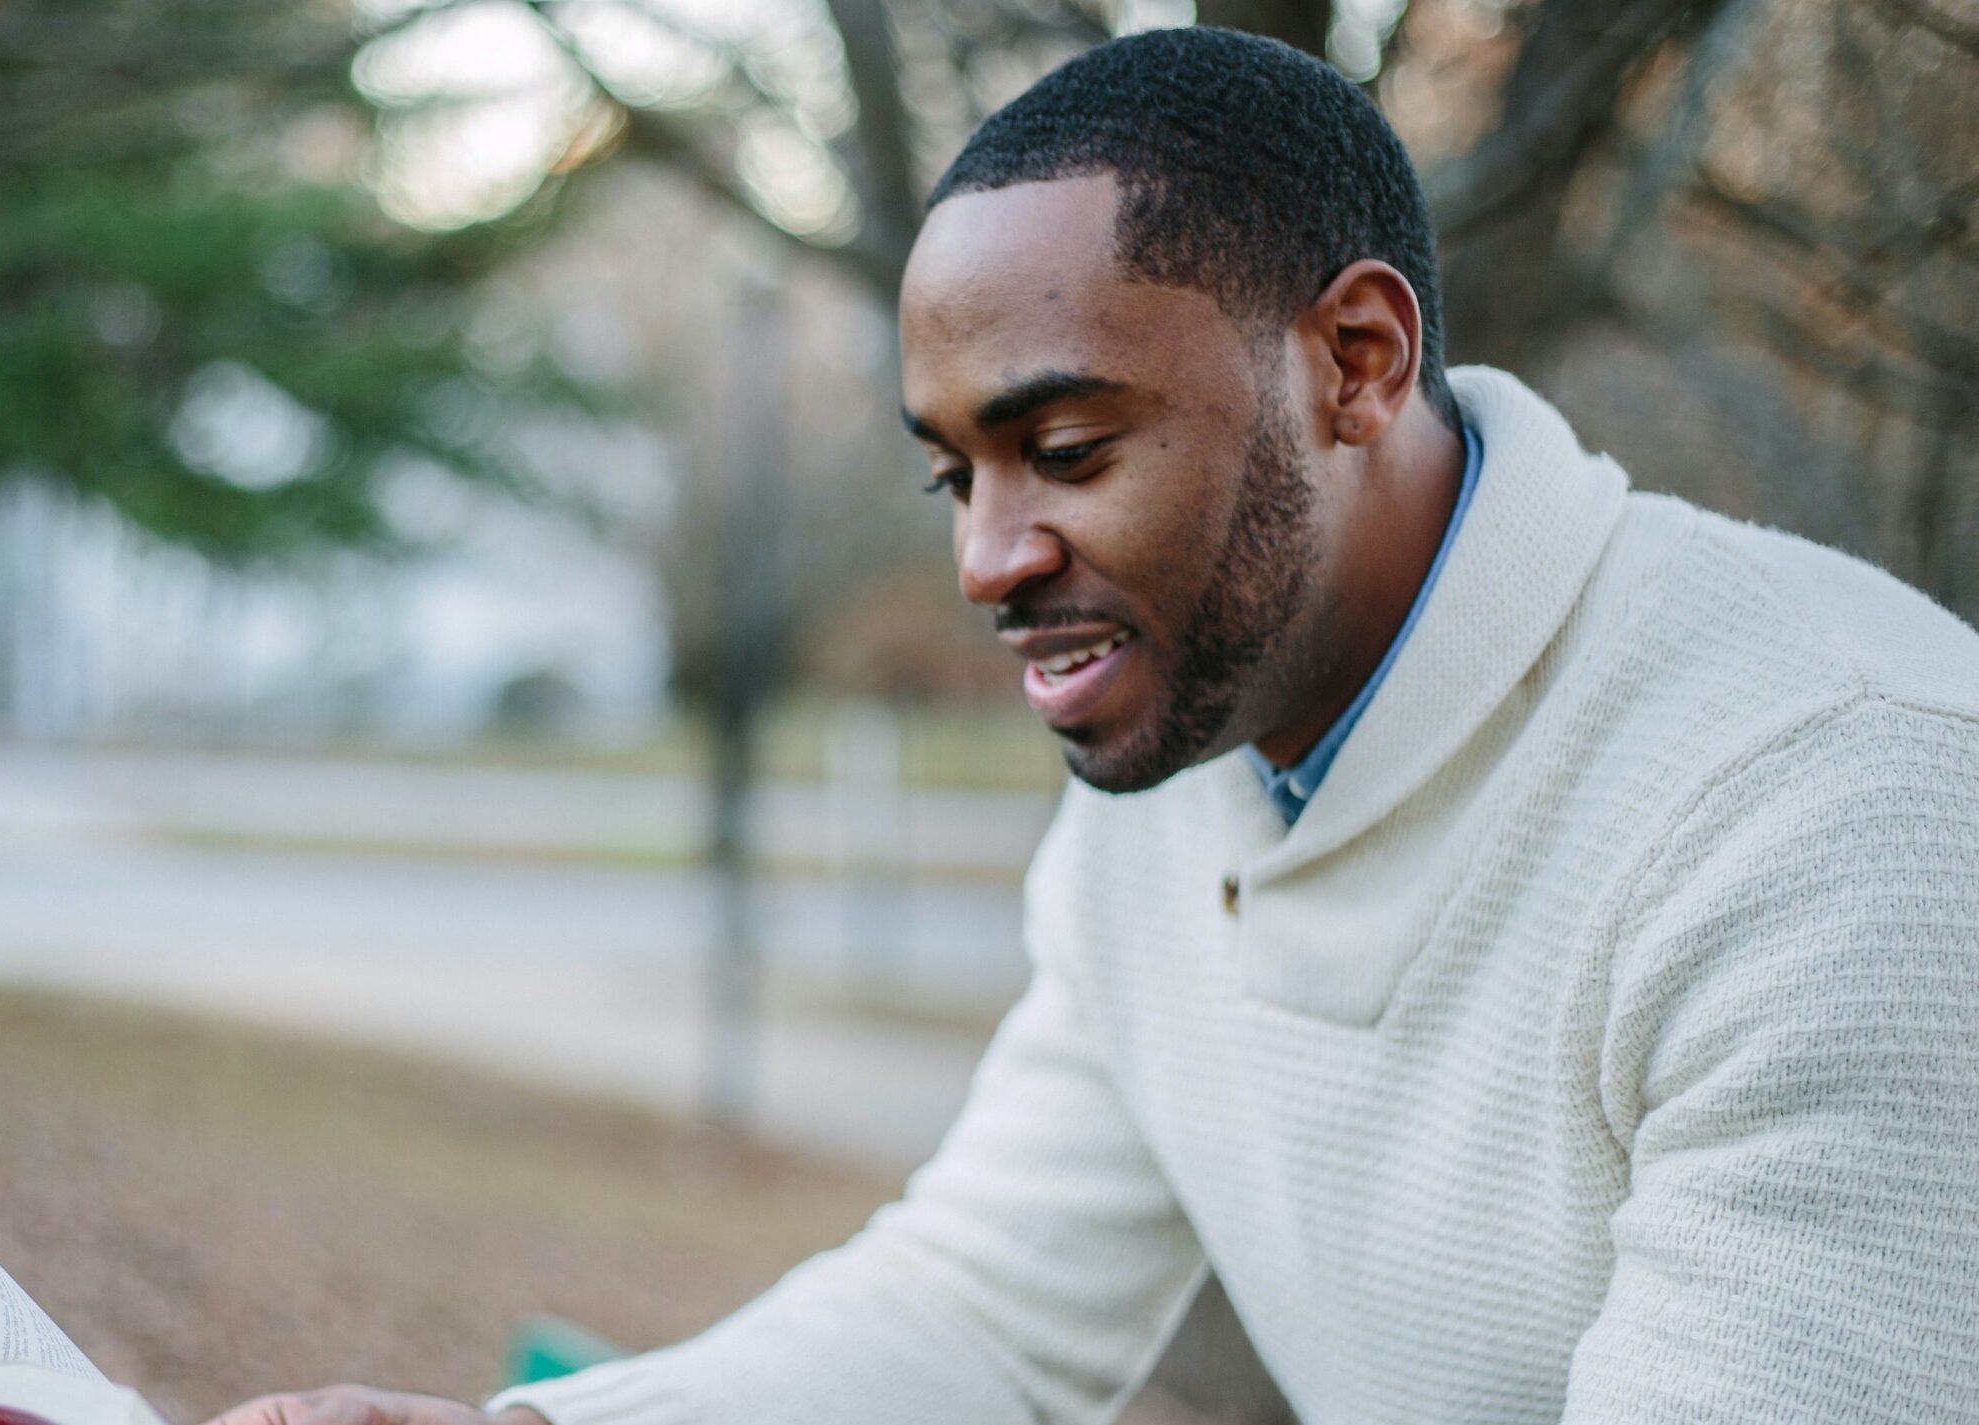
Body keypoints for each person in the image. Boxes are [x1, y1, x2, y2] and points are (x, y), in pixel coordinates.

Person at [212, 27, 1979, 1425]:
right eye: (955, 471)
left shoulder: (1836, 810)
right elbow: (986, 1305)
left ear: (1355, 362)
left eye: (1065, 451)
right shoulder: (1185, 762)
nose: (987, 561)